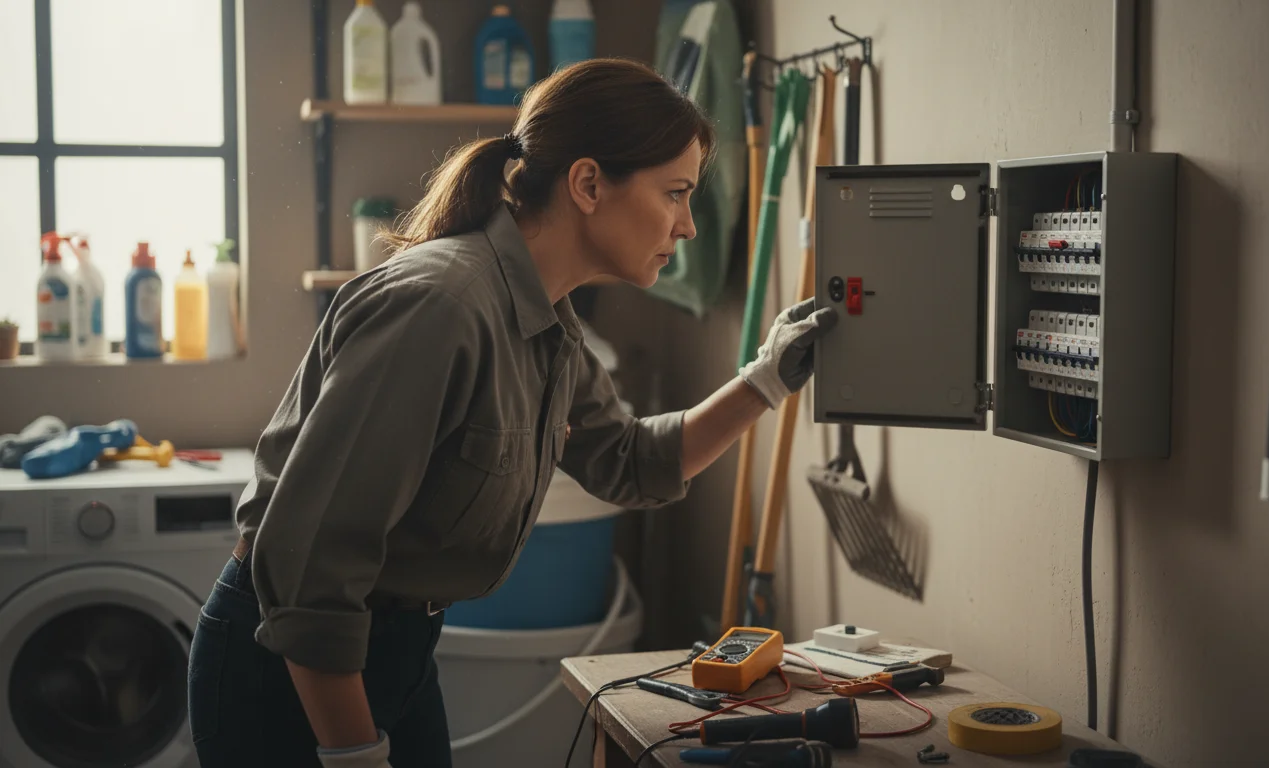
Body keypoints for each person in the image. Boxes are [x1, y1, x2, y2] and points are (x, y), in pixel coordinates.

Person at [186, 58, 837, 768]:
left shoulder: (546, 320)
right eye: (675, 193)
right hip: (290, 665)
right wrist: (353, 757)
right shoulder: (440, 307)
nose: (685, 226)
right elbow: (311, 568)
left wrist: (766, 379)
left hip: (395, 652)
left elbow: (630, 462)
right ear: (589, 184)